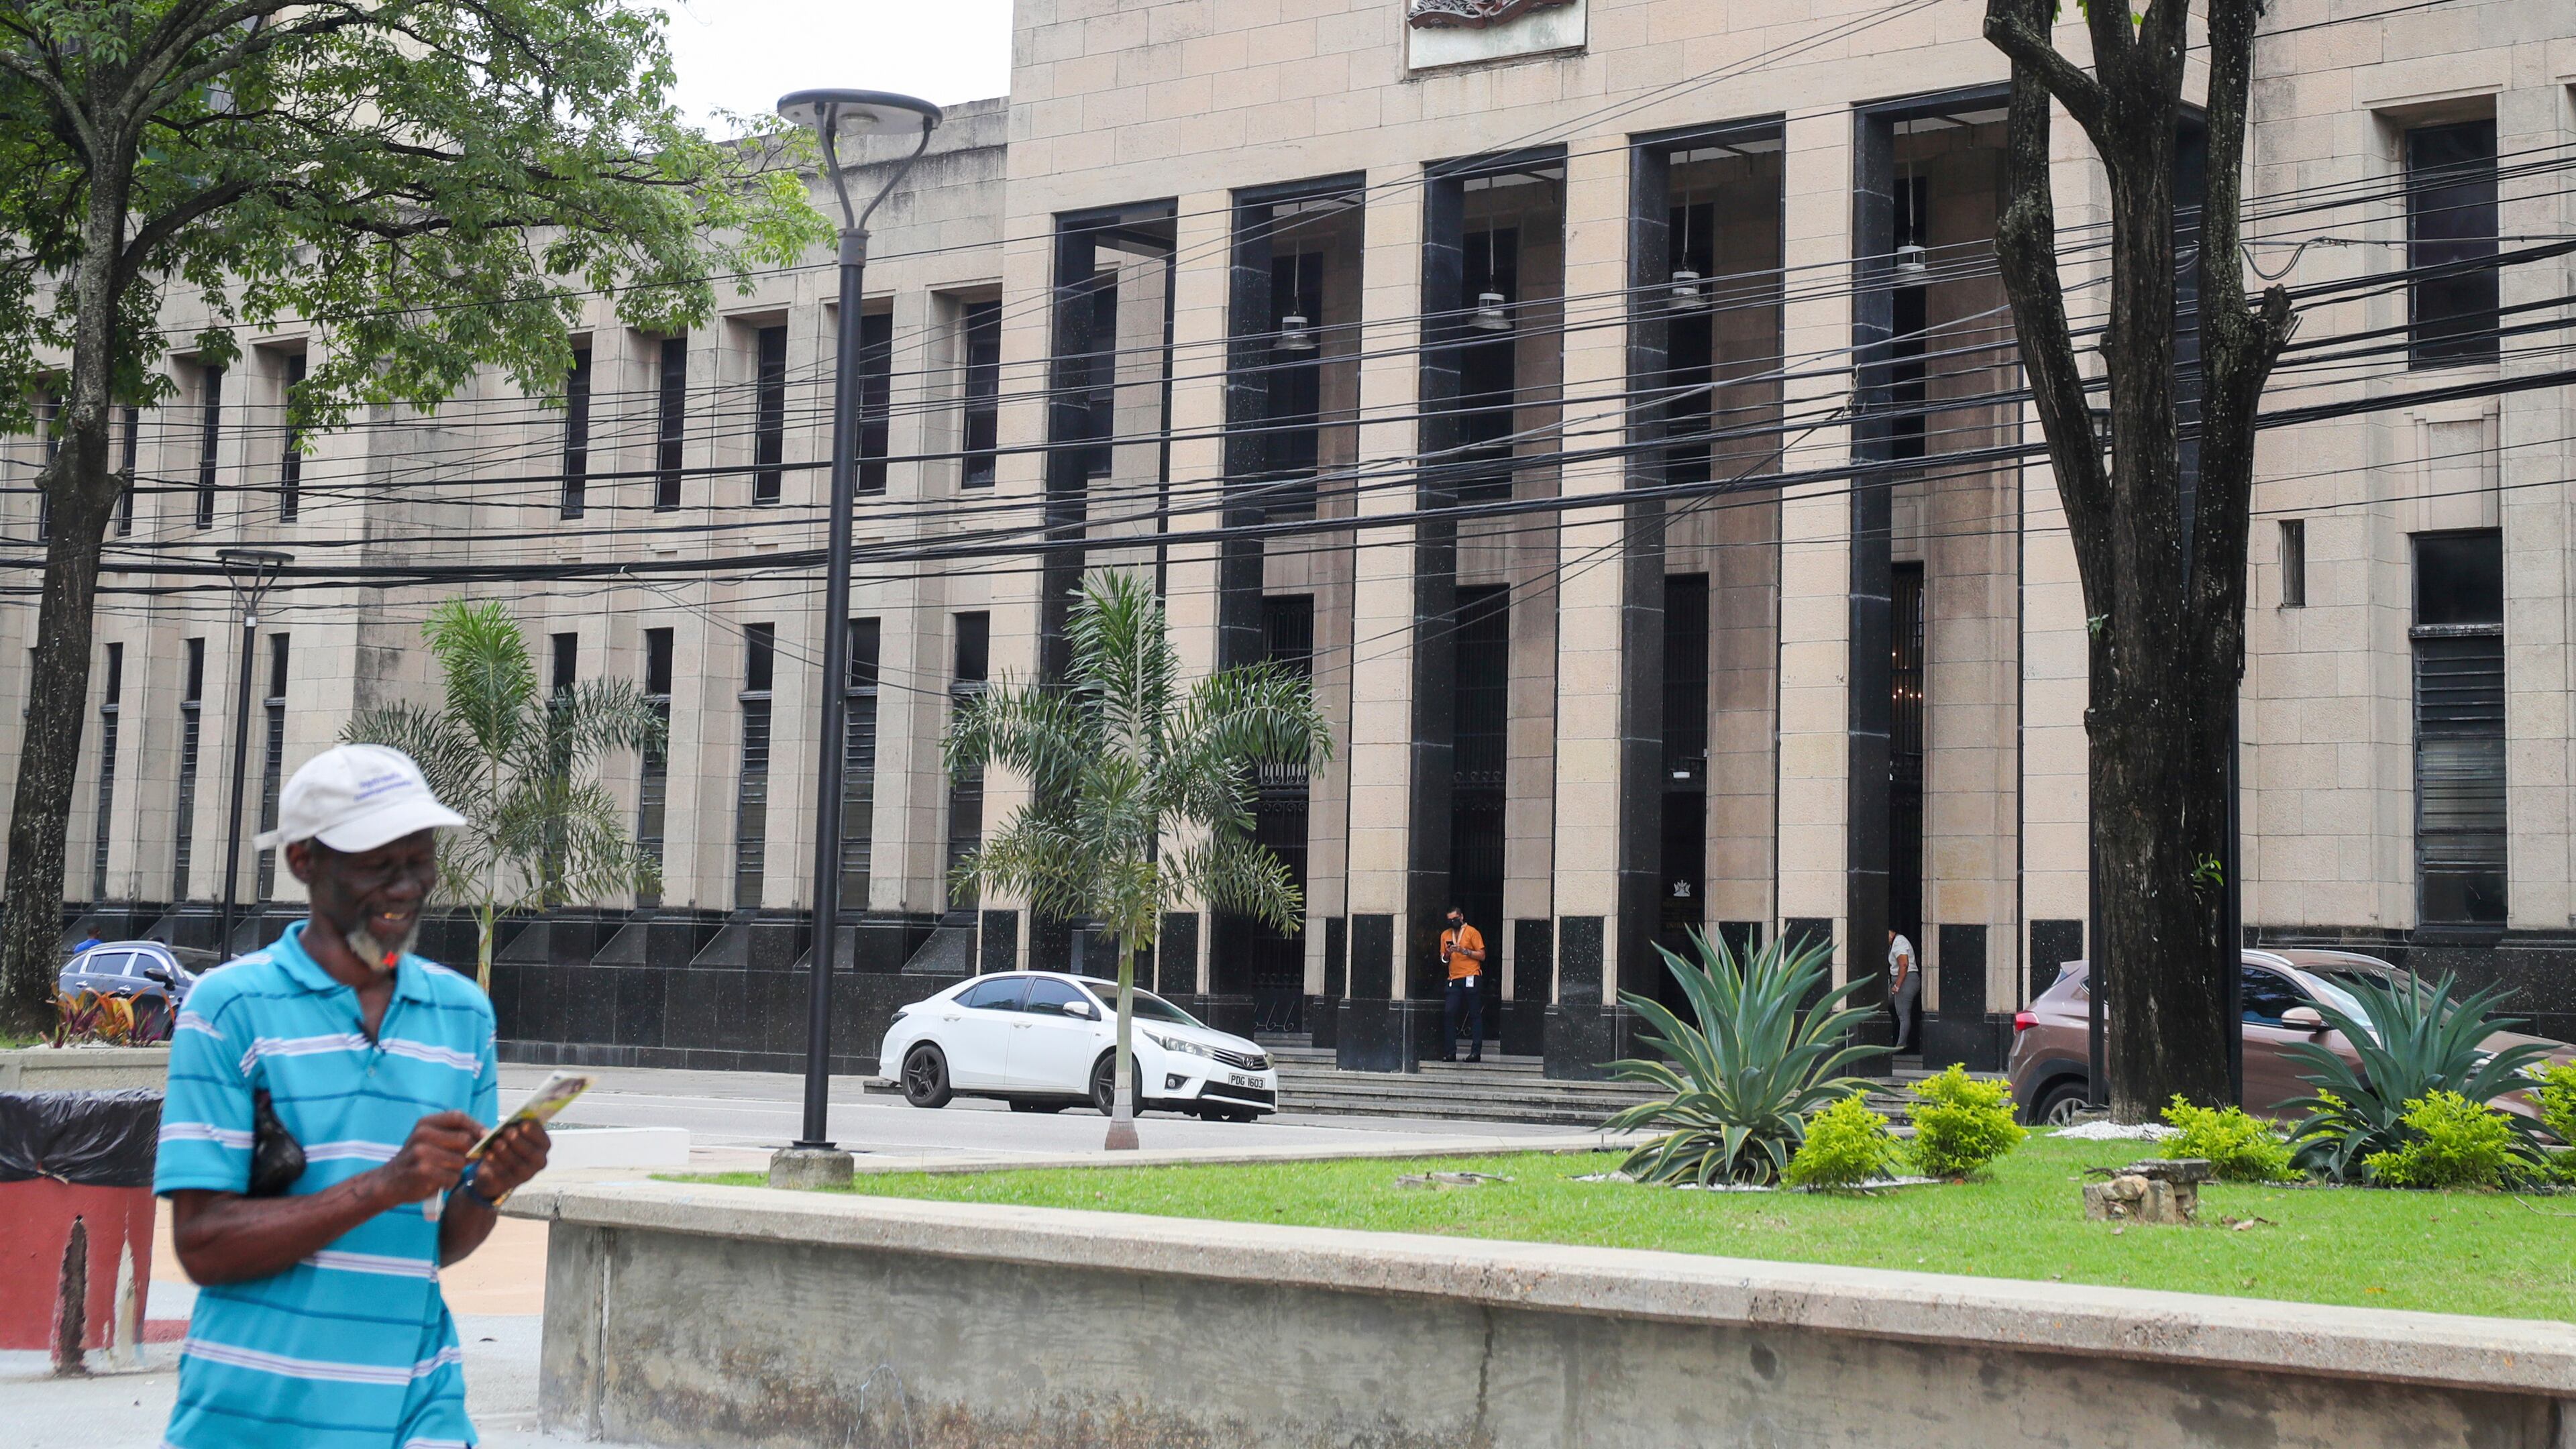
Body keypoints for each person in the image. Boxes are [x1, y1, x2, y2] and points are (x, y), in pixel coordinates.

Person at [155, 743, 553, 1449]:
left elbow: (434, 1246)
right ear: (303, 860)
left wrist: (489, 1187)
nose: (406, 886)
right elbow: (203, 1246)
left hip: (418, 1407)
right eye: (378, 865)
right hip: (255, 1417)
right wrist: (382, 1185)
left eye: (420, 861)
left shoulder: (463, 1015)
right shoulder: (229, 1008)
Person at [1439, 906, 1487, 1064]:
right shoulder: (1445, 935)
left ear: (1461, 917)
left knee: (1474, 1013)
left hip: (1471, 975)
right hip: (1454, 978)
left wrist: (1465, 951)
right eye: (1450, 920)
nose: (1453, 922)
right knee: (1449, 1012)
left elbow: (1482, 955)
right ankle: (1450, 1052)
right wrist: (1448, 953)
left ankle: (1476, 1052)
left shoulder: (1472, 932)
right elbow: (1443, 960)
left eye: (1455, 919)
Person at [1887, 927, 1920, 1053]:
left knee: (1903, 1014)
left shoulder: (1899, 943)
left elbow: (1904, 964)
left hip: (1906, 980)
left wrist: (1897, 985)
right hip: (1900, 979)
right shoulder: (1895, 943)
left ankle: (1901, 1046)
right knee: (1886, 1003)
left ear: (1891, 933)